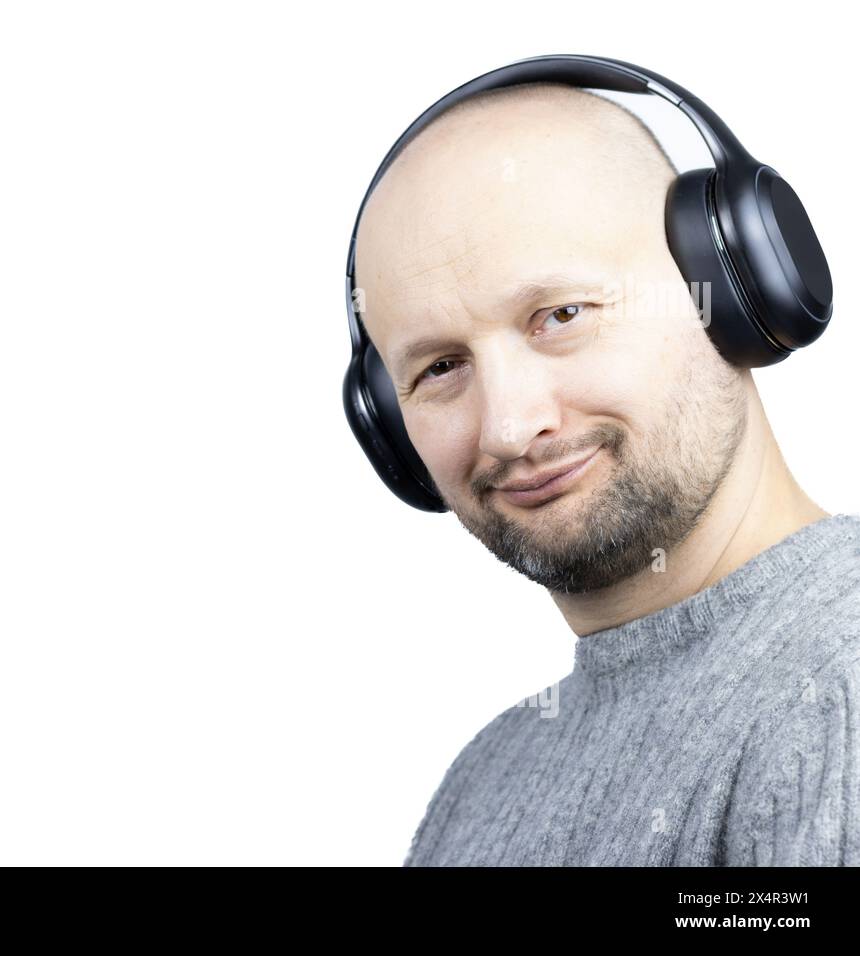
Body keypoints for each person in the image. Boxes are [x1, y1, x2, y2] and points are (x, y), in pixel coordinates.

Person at [352, 80, 860, 865]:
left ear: (731, 286)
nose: (511, 427)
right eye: (442, 367)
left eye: (561, 316)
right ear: (387, 421)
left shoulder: (840, 688)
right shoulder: (482, 784)